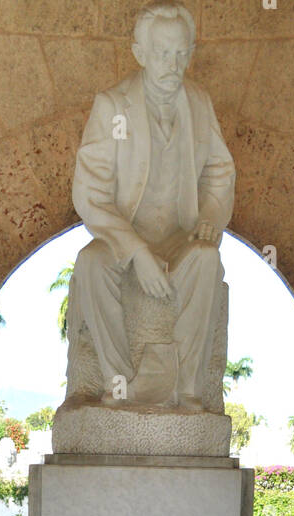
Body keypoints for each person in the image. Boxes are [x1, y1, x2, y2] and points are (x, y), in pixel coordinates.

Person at [68, 2, 235, 411]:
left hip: (180, 237)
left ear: (190, 53)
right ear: (139, 53)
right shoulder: (112, 106)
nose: (172, 64)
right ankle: (121, 385)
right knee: (90, 264)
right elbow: (90, 194)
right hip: (124, 239)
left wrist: (211, 219)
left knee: (207, 261)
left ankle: (187, 389)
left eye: (181, 54)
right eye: (161, 53)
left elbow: (219, 170)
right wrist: (137, 252)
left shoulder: (199, 102)